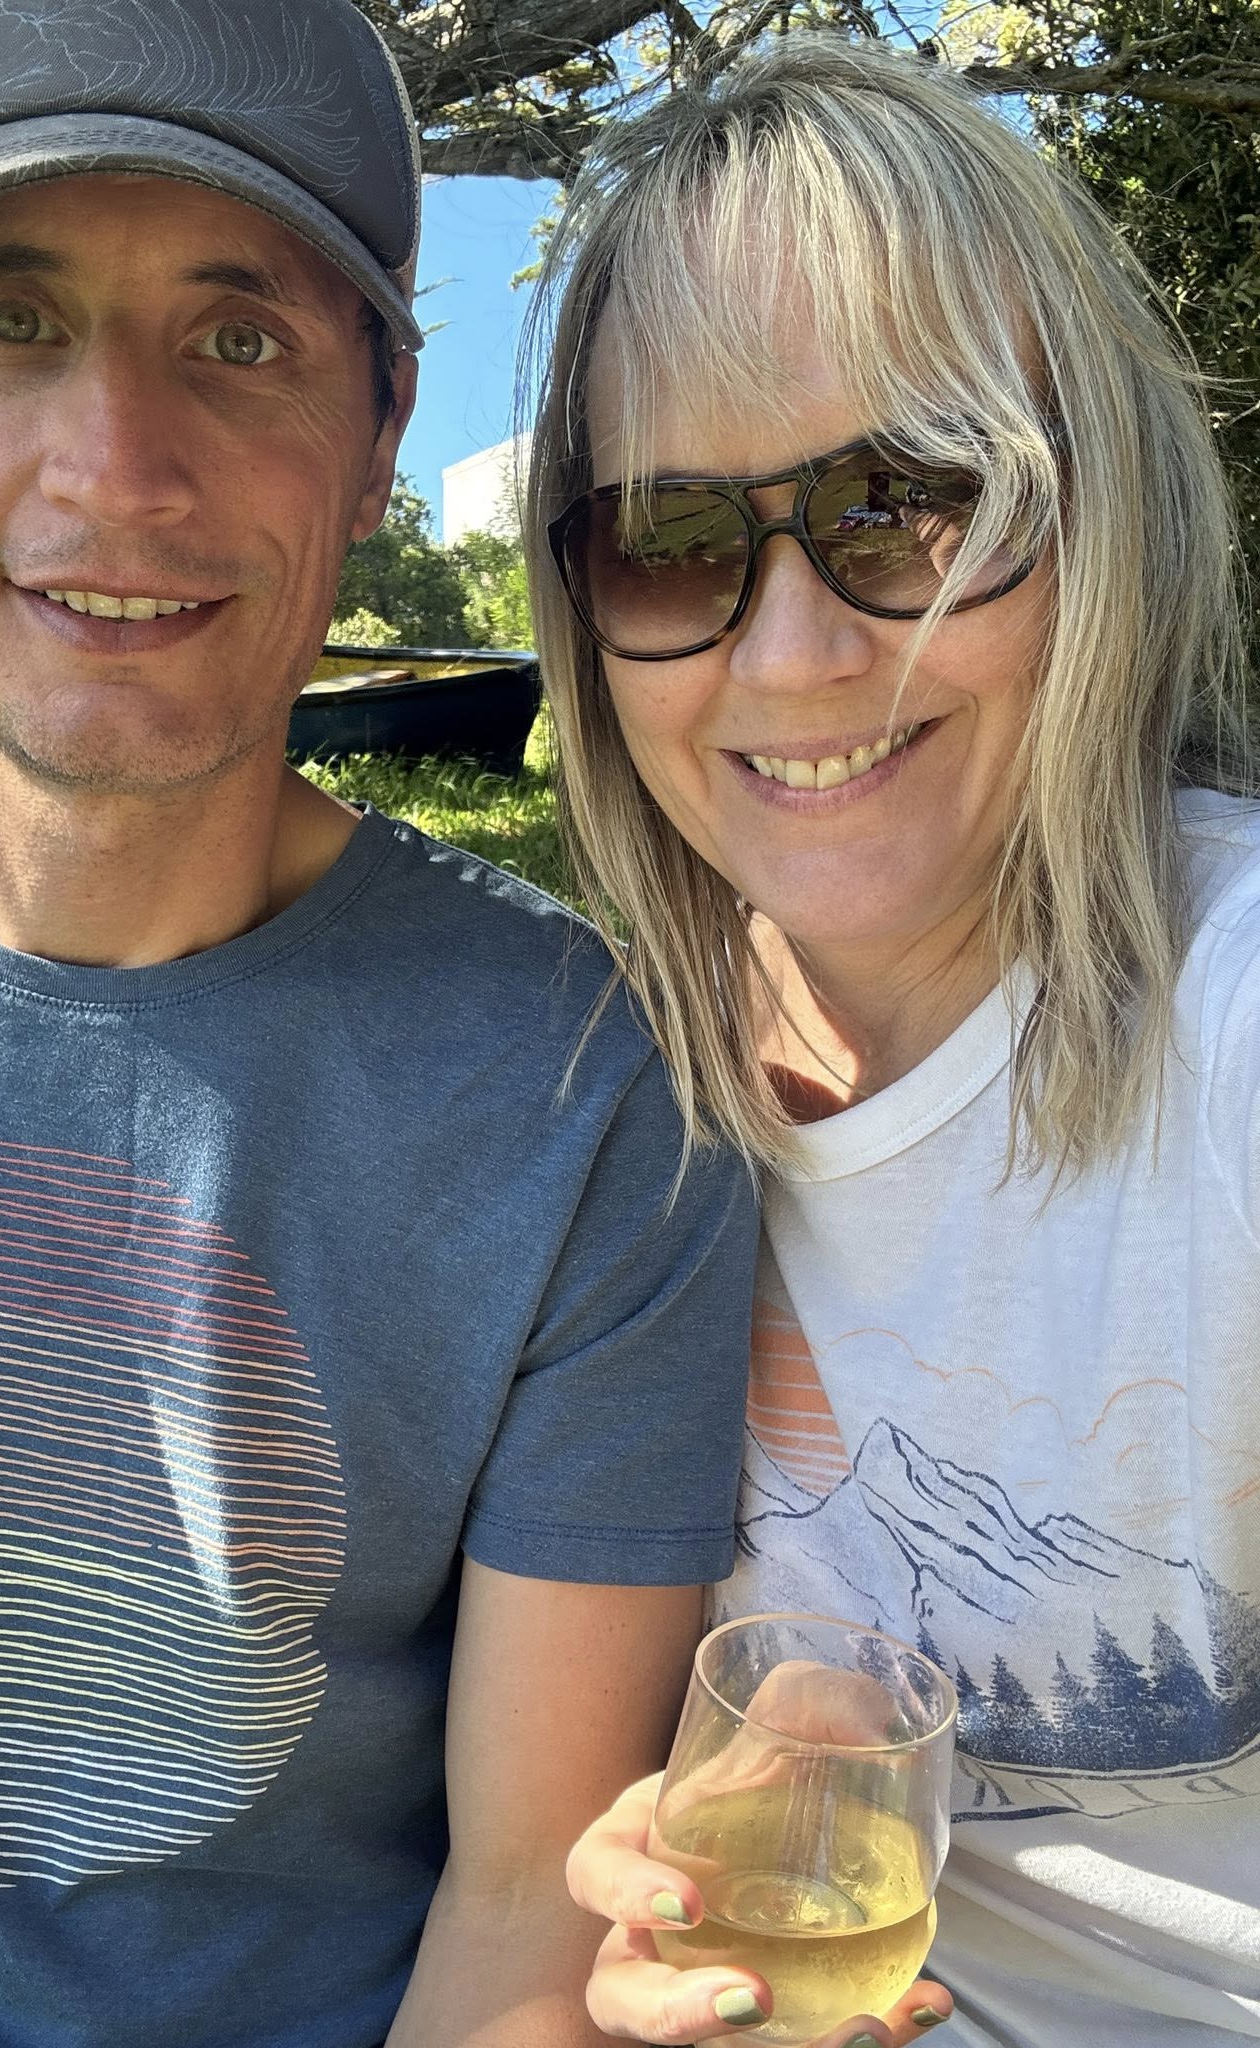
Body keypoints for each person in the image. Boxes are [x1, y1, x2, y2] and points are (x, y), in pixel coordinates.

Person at [0, 4, 761, 2043]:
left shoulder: (584, 1094)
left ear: (380, 438)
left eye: (240, 339)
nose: (120, 467)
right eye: (10, 322)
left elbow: (520, 1909)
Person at [520, 33, 1260, 2048]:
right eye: (671, 540)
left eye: (914, 503)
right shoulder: (600, 1116)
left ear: (1098, 512)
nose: (794, 654)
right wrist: (792, 1754)